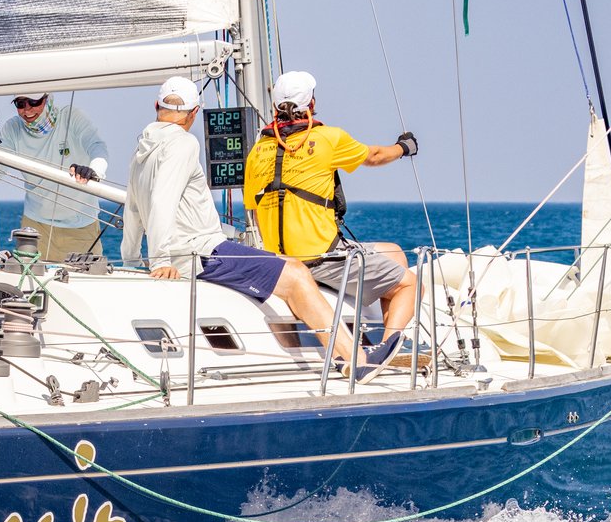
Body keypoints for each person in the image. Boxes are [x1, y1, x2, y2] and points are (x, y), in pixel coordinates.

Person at [122, 77, 342, 350]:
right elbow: (161, 200)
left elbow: (132, 208)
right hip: (204, 255)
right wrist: (159, 261)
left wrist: (131, 260)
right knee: (296, 272)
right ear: (194, 113)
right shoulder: (183, 143)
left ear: (157, 105)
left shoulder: (141, 150)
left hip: (185, 256)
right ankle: (354, 360)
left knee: (279, 268)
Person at [243, 70, 420, 360]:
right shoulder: (327, 139)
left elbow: (254, 208)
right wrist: (404, 147)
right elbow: (374, 156)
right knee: (411, 284)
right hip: (322, 260)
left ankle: (375, 332)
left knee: (395, 253)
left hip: (281, 262)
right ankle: (384, 352)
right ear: (311, 104)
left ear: (275, 107)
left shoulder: (257, 151)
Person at [0, 92, 108, 260]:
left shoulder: (71, 117)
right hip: (36, 228)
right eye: (20, 104)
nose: (27, 110)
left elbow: (97, 146)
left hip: (81, 228)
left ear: (47, 99)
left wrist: (94, 171)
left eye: (33, 102)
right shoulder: (13, 128)